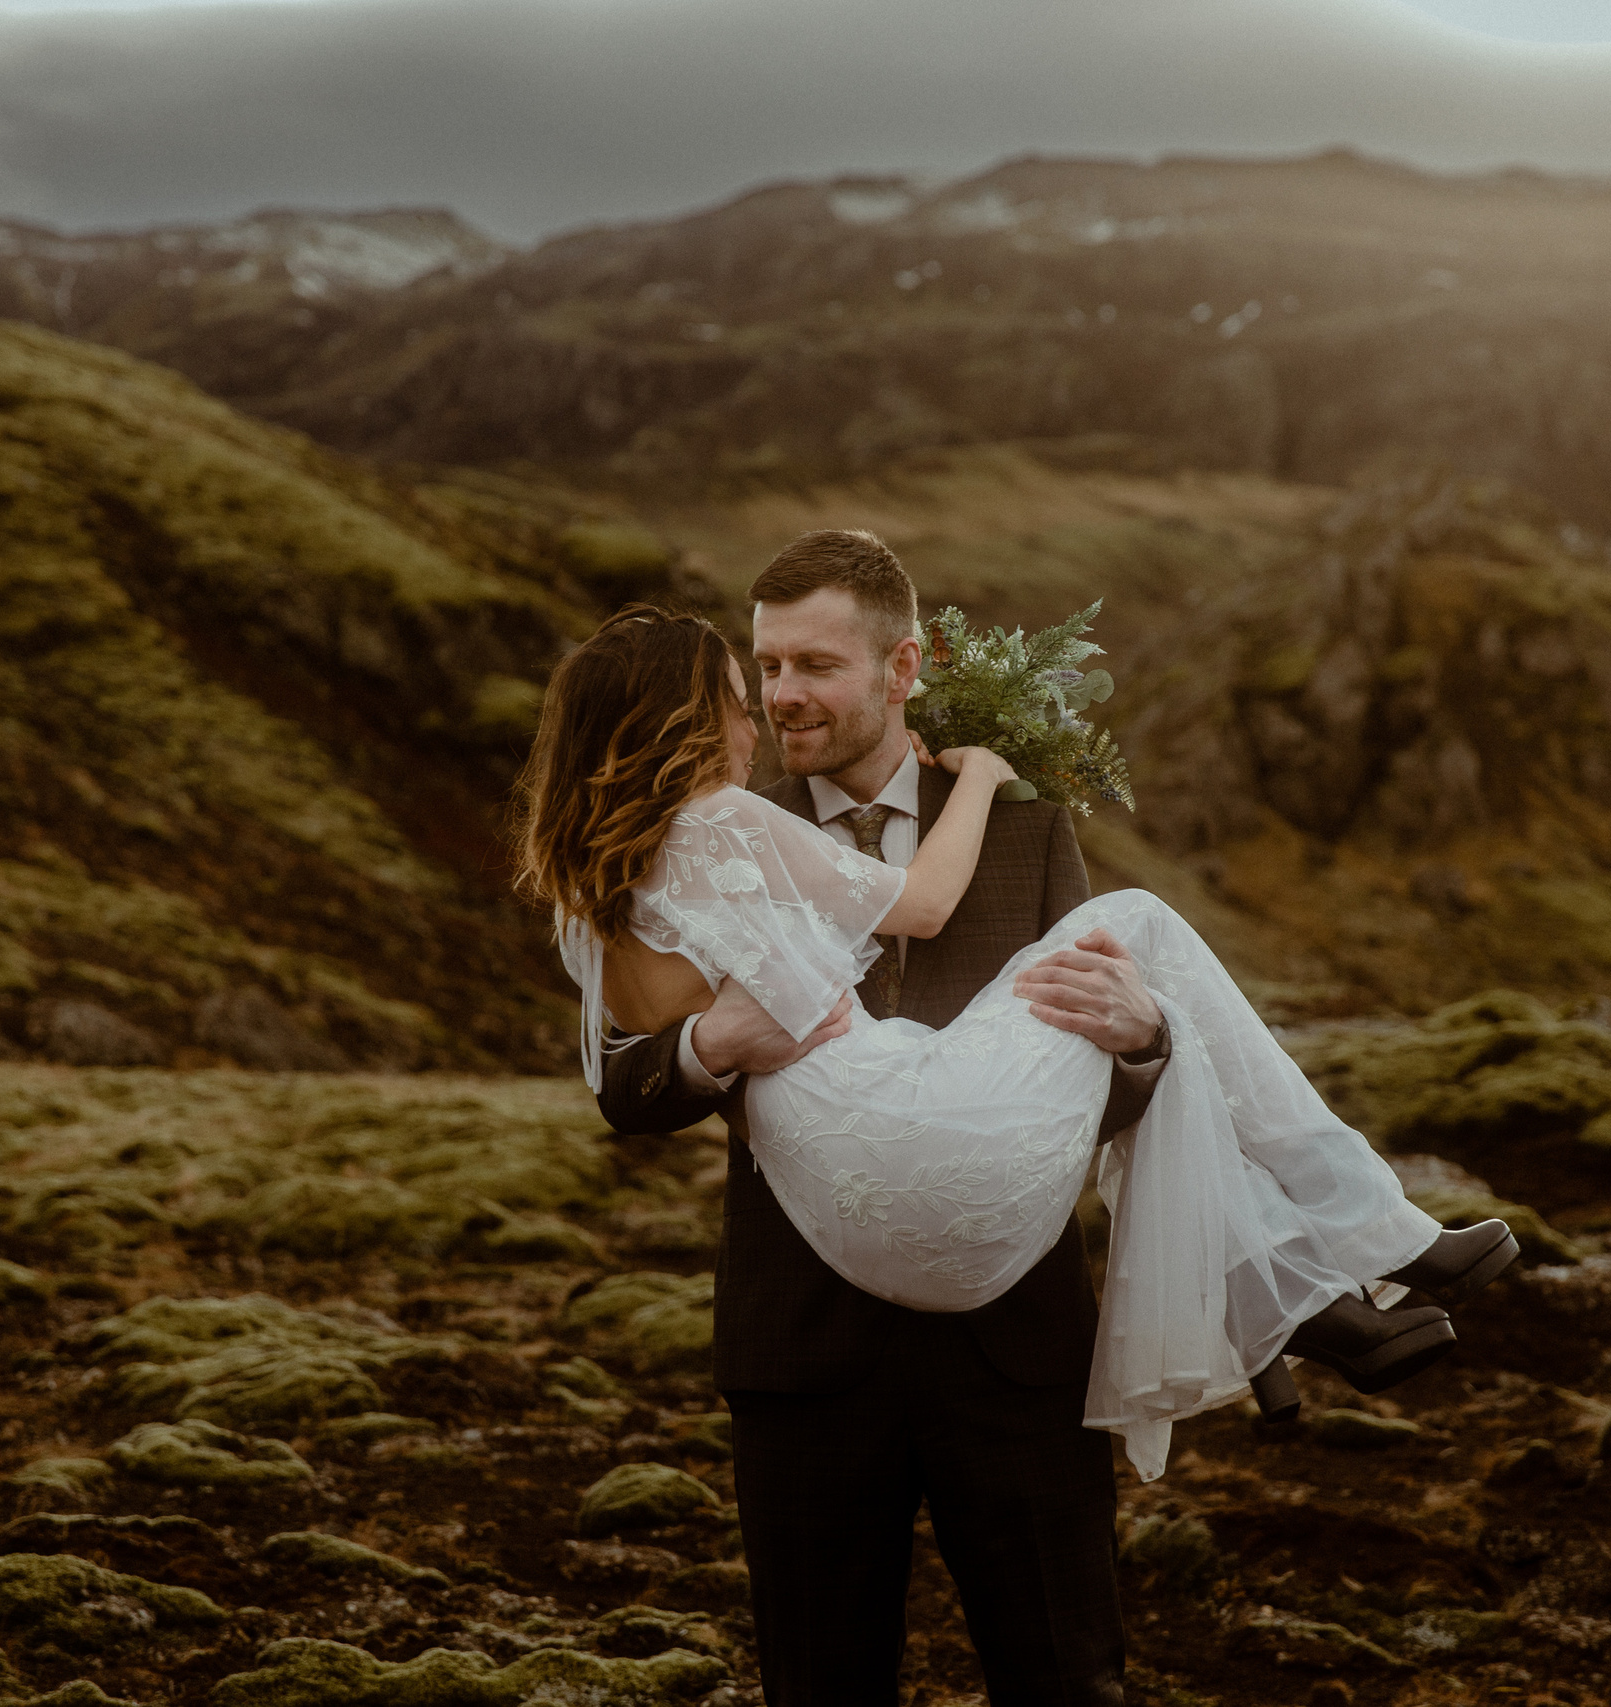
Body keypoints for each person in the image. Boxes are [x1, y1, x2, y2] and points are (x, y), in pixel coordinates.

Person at [517, 532, 1514, 1707]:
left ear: (903, 667)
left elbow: (1100, 1071)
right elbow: (625, 1083)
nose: (781, 694)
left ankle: (1301, 1284)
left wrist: (1143, 1036)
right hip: (806, 1347)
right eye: (765, 665)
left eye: (814, 666)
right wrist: (705, 1047)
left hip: (1011, 1350)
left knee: (1063, 1678)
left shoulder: (1032, 835)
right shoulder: (722, 814)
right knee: (818, 1685)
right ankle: (1318, 1274)